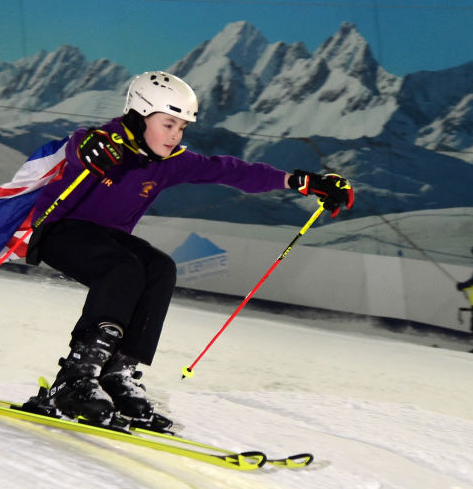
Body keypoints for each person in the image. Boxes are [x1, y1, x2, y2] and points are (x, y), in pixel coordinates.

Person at [20, 71, 354, 426]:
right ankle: (76, 377)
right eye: (168, 124)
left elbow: (229, 171)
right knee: (123, 268)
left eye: (181, 127)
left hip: (108, 240)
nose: (175, 135)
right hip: (58, 231)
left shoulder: (169, 162)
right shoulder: (106, 142)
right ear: (139, 116)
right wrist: (90, 148)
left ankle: (116, 374)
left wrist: (300, 181)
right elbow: (79, 145)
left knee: (159, 269)